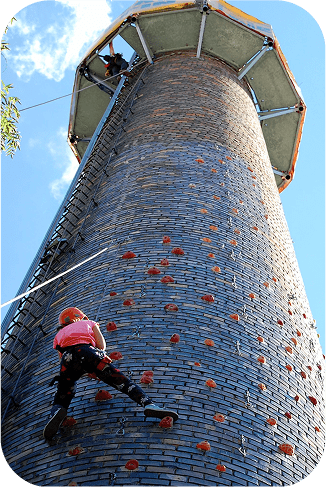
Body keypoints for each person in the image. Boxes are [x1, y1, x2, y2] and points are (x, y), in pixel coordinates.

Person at [43, 307, 178, 440]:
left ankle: (57, 411)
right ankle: (148, 403)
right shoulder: (89, 323)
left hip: (67, 360)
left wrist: (80, 371)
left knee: (64, 391)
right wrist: (95, 364)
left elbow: (62, 358)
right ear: (81, 317)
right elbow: (101, 346)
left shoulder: (58, 335)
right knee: (121, 381)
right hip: (88, 352)